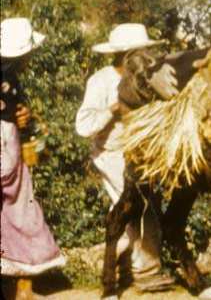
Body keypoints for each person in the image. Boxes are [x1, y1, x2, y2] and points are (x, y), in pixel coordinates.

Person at [75, 23, 174, 293]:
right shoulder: (101, 80)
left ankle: (118, 263)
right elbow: (83, 126)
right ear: (124, 55)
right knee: (139, 206)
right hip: (112, 152)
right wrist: (113, 110)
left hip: (141, 151)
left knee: (135, 208)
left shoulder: (144, 77)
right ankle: (145, 270)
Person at [1, 18, 66, 300]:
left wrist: (21, 115)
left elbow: (16, 108)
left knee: (21, 209)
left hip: (10, 148)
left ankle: (23, 284)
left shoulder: (10, 77)